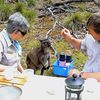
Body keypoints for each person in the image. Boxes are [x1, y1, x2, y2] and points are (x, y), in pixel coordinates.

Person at [61, 12, 100, 81]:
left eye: (90, 31)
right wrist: (70, 38)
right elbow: (82, 45)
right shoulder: (90, 37)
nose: (88, 33)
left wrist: (80, 74)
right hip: (85, 78)